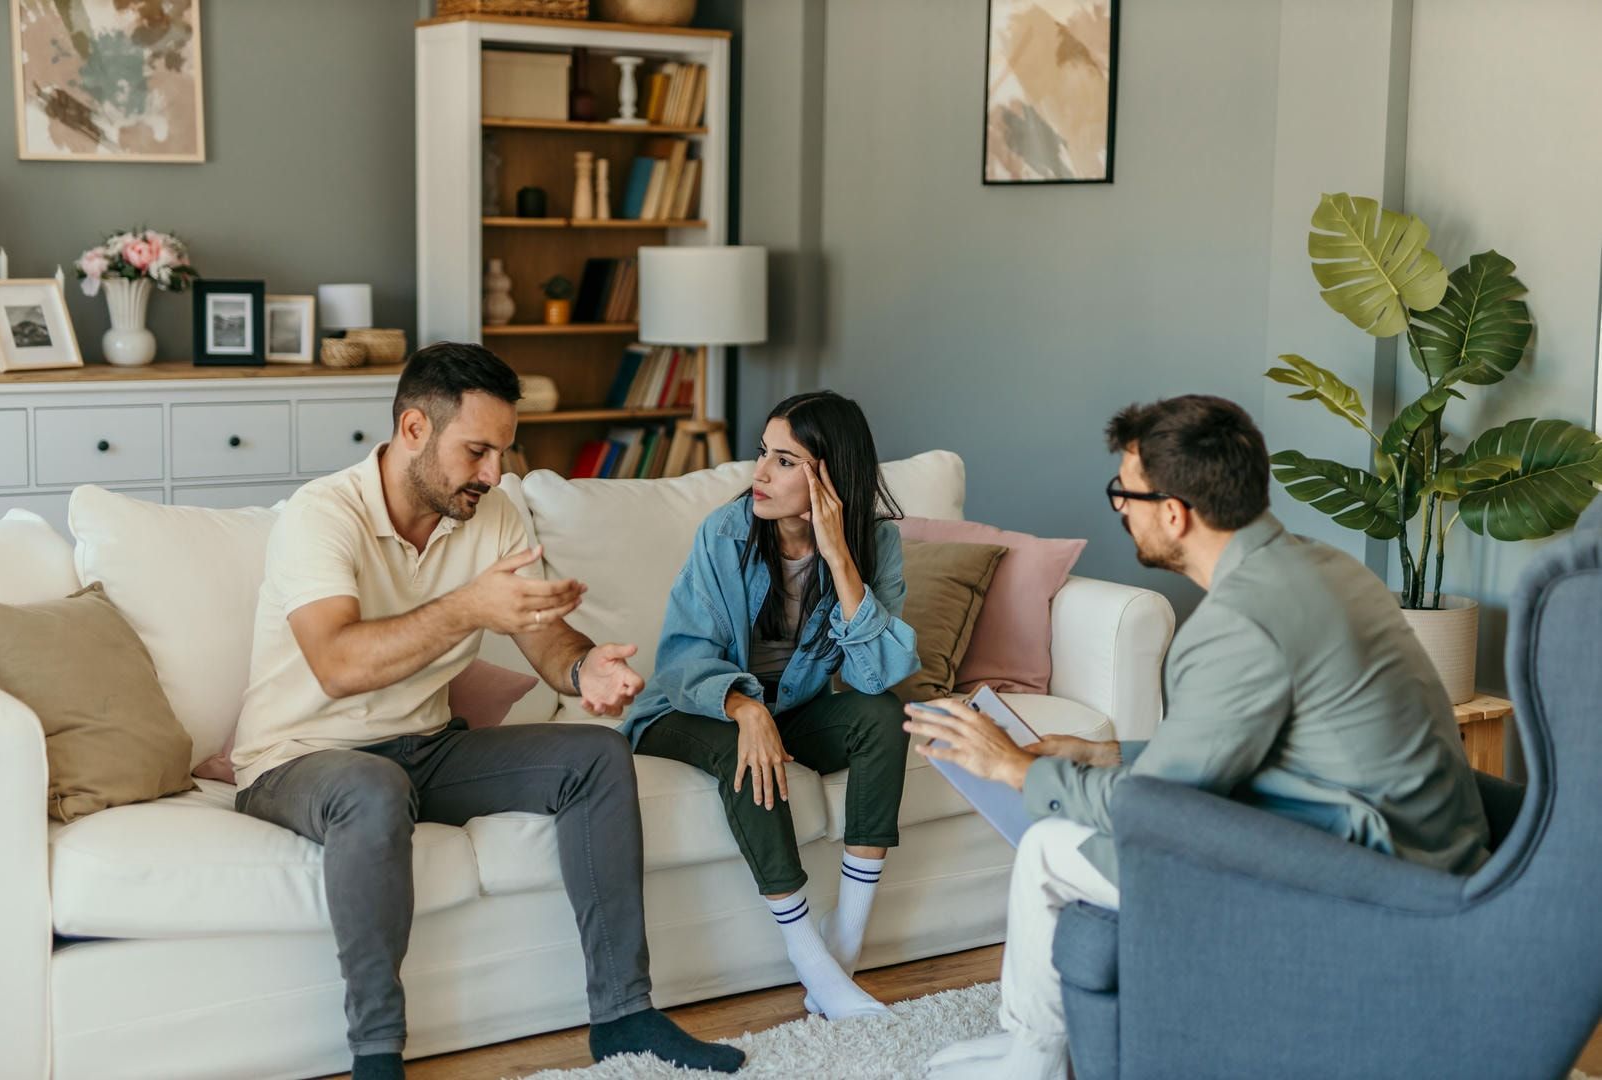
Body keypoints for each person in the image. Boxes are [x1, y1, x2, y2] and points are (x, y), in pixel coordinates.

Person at [906, 394, 1492, 1079]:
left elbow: (1161, 811)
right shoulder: (1322, 565)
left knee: (1045, 845)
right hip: (1413, 843)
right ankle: (1034, 1045)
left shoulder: (1239, 620)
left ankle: (1034, 1058)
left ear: (1175, 514)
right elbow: (1248, 752)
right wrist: (1103, 753)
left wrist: (1014, 770)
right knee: (1069, 810)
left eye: (1123, 493)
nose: (1120, 507)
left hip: (1369, 876)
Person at [232, 343, 745, 1080]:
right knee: (375, 790)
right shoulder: (322, 515)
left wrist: (582, 665)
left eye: (503, 452)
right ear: (413, 428)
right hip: (298, 759)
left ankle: (624, 1016)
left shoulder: (493, 512)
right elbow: (338, 664)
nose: (494, 473)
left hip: (426, 748)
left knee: (597, 756)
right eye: (476, 451)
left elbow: (542, 634)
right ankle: (377, 1058)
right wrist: (468, 606)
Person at [620, 391, 921, 1021]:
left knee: (884, 720)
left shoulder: (875, 546)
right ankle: (810, 957)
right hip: (691, 711)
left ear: (829, 476)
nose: (757, 473)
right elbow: (682, 658)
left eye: (785, 461)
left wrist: (839, 558)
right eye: (763, 453)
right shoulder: (724, 534)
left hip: (792, 710)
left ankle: (846, 947)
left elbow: (879, 676)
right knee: (743, 749)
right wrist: (746, 709)